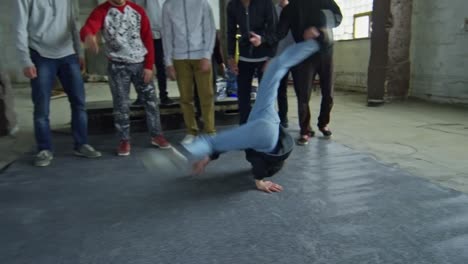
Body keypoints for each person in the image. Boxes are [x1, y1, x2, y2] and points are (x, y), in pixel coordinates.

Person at [183, 29, 323, 193]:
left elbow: (241, 149)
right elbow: (235, 144)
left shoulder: (262, 147)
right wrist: (259, 179)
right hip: (267, 125)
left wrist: (259, 179)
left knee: (276, 68)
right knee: (275, 68)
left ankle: (314, 44)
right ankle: (316, 43)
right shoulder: (265, 144)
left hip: (267, 125)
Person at [15, 0, 102, 167]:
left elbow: (72, 21)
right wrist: (25, 60)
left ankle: (81, 144)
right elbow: (20, 28)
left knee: (79, 102)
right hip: (40, 54)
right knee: (42, 107)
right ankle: (44, 149)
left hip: (68, 54)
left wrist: (79, 52)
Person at [80, 0, 171, 156]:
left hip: (140, 64)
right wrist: (88, 36)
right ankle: (124, 140)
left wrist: (149, 65)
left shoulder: (137, 11)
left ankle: (156, 135)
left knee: (151, 102)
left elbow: (148, 38)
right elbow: (89, 27)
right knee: (121, 105)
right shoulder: (102, 11)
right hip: (117, 66)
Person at [251, 0, 342, 145]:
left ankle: (323, 123)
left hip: (325, 52)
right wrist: (263, 39)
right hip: (304, 54)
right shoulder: (291, 8)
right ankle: (305, 130)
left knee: (328, 93)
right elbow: (279, 32)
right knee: (303, 95)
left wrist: (319, 29)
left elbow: (338, 17)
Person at [162, 0, 217, 144]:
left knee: (206, 95)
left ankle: (210, 130)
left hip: (201, 56)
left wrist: (207, 55)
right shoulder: (169, 5)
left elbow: (209, 30)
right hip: (179, 57)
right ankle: (191, 131)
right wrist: (168, 62)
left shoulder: (202, 4)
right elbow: (167, 34)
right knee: (186, 97)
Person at [226, 0, 278, 124]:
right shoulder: (233, 5)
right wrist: (231, 57)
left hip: (264, 57)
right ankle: (245, 127)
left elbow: (275, 31)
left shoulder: (266, 3)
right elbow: (230, 32)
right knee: (243, 96)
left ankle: (267, 126)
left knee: (266, 96)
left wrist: (270, 56)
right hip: (244, 57)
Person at [132, 0, 175, 106]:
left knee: (160, 65)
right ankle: (141, 96)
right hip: (141, 34)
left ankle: (163, 95)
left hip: (158, 34)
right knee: (142, 66)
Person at [275, 0, 295, 128]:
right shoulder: (273, 10)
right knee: (281, 89)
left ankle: (305, 124)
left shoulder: (296, 8)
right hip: (280, 55)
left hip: (296, 54)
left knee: (302, 90)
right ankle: (283, 117)